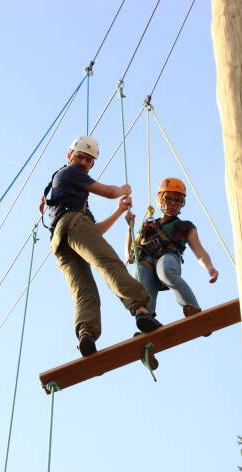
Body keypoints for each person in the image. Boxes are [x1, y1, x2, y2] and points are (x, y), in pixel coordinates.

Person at [41, 135, 162, 357]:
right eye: (80, 157)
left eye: (89, 160)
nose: (83, 163)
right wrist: (122, 190)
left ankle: (86, 334)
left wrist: (118, 211)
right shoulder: (70, 173)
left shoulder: (73, 196)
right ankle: (141, 309)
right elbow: (108, 192)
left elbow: (93, 231)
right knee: (109, 263)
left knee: (84, 291)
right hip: (73, 225)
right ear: (69, 156)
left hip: (61, 242)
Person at [125, 177, 219, 319]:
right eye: (168, 199)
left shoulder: (185, 226)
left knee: (165, 270)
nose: (173, 203)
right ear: (160, 199)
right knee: (140, 273)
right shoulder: (147, 226)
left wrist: (209, 267)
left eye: (178, 200)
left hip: (168, 256)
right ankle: (146, 320)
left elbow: (199, 251)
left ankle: (193, 308)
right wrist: (129, 229)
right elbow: (130, 257)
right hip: (146, 262)